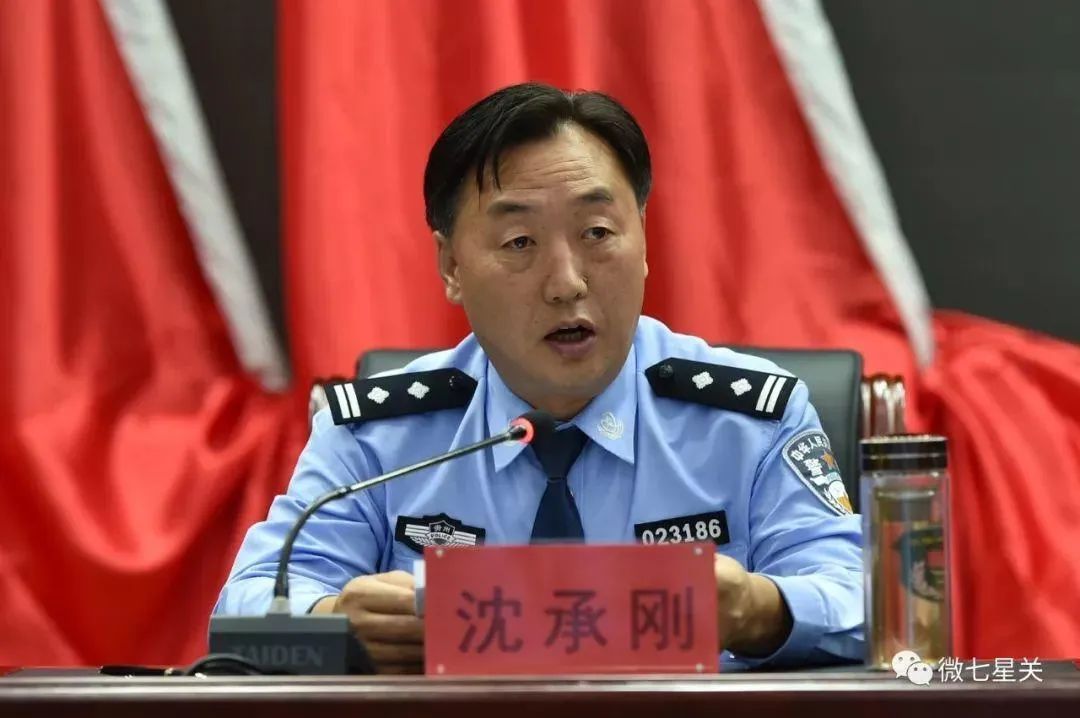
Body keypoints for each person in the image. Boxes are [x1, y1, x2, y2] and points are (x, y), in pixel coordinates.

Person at [215, 82, 864, 673]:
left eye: (597, 232)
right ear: (451, 267)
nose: (567, 283)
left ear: (644, 239)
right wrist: (334, 623)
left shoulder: (750, 420)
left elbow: (860, 599)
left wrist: (757, 610)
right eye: (520, 243)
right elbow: (249, 604)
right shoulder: (378, 436)